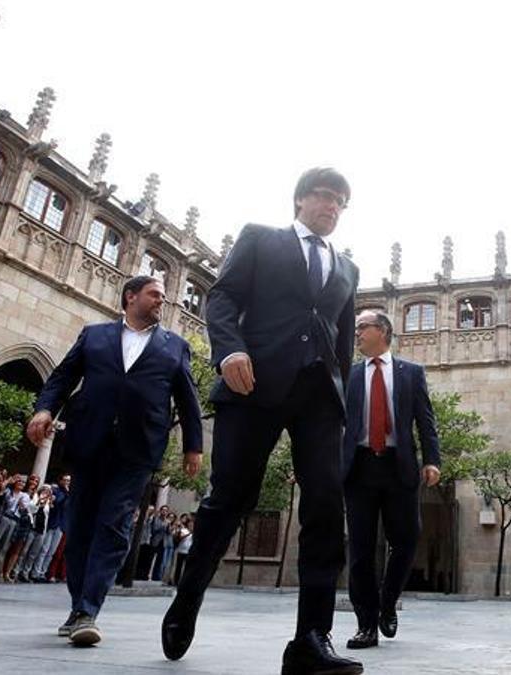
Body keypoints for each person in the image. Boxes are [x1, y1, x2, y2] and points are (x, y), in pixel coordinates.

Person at [161, 167, 362, 675]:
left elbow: (341, 340)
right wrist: (228, 351)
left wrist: (341, 396)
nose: (331, 206)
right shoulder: (261, 239)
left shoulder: (348, 269)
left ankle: (311, 640)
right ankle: (187, 598)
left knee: (323, 506)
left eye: (340, 201)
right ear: (299, 200)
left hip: (318, 398)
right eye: (323, 196)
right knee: (231, 498)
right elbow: (223, 297)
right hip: (253, 384)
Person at [28, 274, 202, 647]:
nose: (162, 301)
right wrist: (44, 410)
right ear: (131, 297)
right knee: (80, 527)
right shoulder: (94, 335)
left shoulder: (175, 346)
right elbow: (62, 377)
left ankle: (89, 609)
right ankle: (79, 607)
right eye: (155, 294)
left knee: (114, 525)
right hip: (88, 441)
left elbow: (188, 400)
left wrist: (193, 446)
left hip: (138, 450)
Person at [342, 309, 440, 650]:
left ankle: (387, 601)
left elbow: (425, 421)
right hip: (359, 468)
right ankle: (366, 624)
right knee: (360, 550)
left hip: (399, 468)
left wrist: (432, 460)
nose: (356, 333)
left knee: (408, 538)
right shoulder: (350, 374)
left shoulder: (411, 373)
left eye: (361, 327)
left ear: (382, 331)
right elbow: (335, 424)